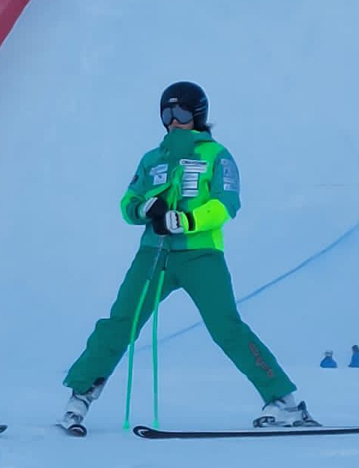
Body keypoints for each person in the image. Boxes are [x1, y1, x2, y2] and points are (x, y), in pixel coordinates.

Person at [60, 81, 318, 429]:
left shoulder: (216, 155)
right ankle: (81, 395)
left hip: (201, 256)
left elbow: (226, 203)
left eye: (181, 112)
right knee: (121, 322)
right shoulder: (153, 159)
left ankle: (283, 401)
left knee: (226, 327)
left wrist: (186, 220)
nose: (173, 121)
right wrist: (144, 209)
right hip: (154, 255)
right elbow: (127, 203)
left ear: (197, 114)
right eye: (166, 113)